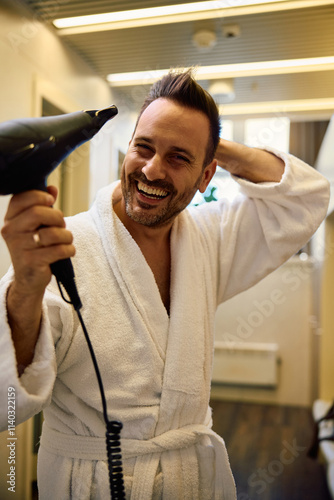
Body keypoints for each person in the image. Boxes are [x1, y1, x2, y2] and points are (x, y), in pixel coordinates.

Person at [0, 69, 330, 499]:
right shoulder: (62, 247)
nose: (152, 170)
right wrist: (25, 287)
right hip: (89, 484)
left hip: (189, 478)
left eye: (178, 157)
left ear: (207, 176)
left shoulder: (210, 238)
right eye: (144, 146)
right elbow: (5, 402)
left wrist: (209, 142)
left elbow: (307, 197)